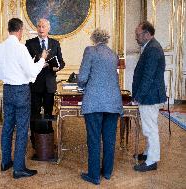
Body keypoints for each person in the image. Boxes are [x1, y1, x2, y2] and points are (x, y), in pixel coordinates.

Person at [0, 18, 49, 179]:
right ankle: (18, 168)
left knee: (7, 127)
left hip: (7, 90)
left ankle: (5, 162)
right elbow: (32, 72)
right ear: (20, 31)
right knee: (22, 129)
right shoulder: (20, 48)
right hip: (21, 91)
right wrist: (43, 58)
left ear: (8, 29)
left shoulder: (0, 48)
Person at [77, 28, 123, 185]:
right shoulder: (113, 54)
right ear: (107, 39)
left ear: (93, 39)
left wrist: (82, 84)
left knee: (94, 139)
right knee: (110, 139)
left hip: (95, 102)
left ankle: (94, 175)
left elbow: (82, 77)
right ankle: (108, 172)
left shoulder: (90, 51)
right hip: (113, 102)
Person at [25, 18, 65, 149]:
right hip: (35, 84)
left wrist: (57, 67)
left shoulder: (55, 43)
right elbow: (27, 63)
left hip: (49, 84)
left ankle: (48, 138)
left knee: (48, 112)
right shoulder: (29, 43)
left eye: (43, 27)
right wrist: (39, 63)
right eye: (39, 26)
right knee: (34, 112)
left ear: (48, 29)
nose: (41, 29)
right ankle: (35, 140)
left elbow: (61, 62)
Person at [132, 21, 166, 172]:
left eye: (138, 35)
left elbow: (148, 77)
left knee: (150, 129)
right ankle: (147, 153)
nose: (136, 38)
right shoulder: (150, 46)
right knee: (148, 126)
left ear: (147, 34)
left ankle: (152, 161)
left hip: (150, 96)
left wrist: (139, 96)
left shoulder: (152, 49)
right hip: (150, 95)